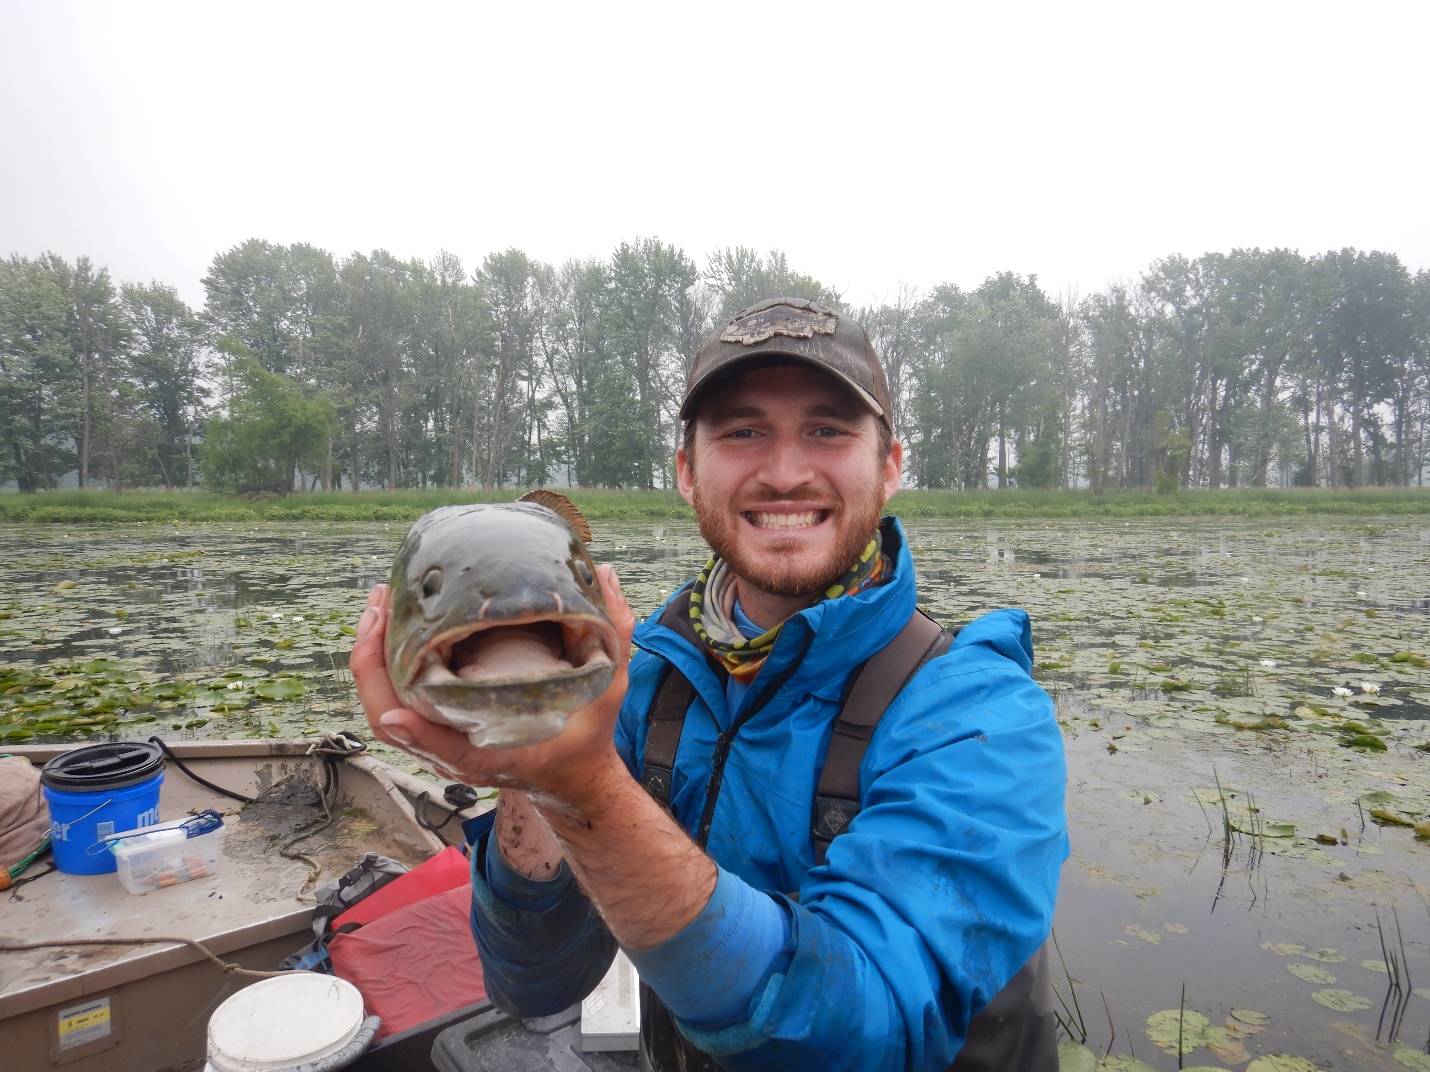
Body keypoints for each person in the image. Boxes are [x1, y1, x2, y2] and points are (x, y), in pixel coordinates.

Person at [350, 297, 1069, 1071]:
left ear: (890, 466)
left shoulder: (981, 715)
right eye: (743, 430)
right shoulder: (642, 682)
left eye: (827, 429)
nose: (786, 472)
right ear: (689, 472)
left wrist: (588, 788)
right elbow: (538, 983)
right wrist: (535, 759)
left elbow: (865, 1031)